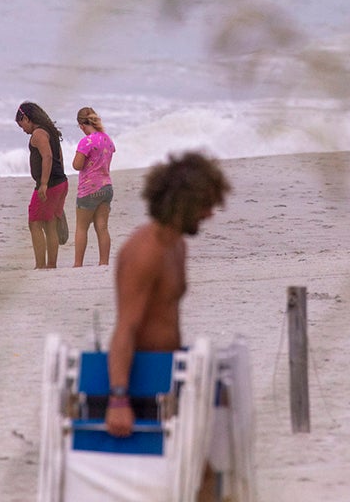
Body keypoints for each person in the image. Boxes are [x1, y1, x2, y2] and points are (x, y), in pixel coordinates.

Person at [106, 151, 231, 437]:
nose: (210, 214)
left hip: (169, 371)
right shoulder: (145, 252)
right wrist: (118, 399)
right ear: (183, 203)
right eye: (204, 205)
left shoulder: (177, 246)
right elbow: (126, 328)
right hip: (143, 383)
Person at [15, 102, 70, 269]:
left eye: (21, 124)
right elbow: (59, 156)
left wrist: (44, 184)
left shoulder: (38, 134)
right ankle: (51, 264)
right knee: (50, 223)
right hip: (60, 181)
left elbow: (47, 157)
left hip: (50, 184)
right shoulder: (51, 132)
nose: (23, 129)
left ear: (26, 118)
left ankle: (40, 265)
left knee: (35, 222)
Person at [72, 106, 116, 267]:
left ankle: (78, 264)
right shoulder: (107, 139)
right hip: (106, 186)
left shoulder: (86, 141)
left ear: (82, 125)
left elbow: (77, 165)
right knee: (102, 227)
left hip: (89, 188)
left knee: (81, 227)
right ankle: (103, 262)